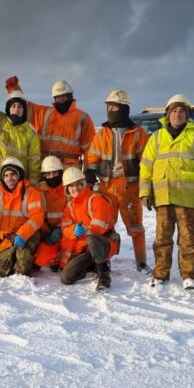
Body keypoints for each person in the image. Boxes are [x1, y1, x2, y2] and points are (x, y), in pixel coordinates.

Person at [139, 95, 194, 289]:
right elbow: (146, 167)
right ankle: (161, 273)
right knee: (162, 238)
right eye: (174, 110)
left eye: (182, 111)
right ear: (168, 113)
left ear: (187, 115)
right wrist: (145, 192)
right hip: (163, 197)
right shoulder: (156, 137)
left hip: (187, 198)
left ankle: (188, 273)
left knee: (187, 239)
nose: (178, 114)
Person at [0, 54, 42, 269]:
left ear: (24, 110)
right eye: (13, 106)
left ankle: (16, 249)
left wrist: (30, 184)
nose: (16, 109)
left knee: (15, 218)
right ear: (8, 108)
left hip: (17, 184)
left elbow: (34, 162)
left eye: (20, 107)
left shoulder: (30, 134)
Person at [85, 89, 149, 272]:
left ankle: (141, 262)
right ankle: (103, 260)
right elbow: (92, 158)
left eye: (114, 106)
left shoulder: (138, 133)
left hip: (129, 186)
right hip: (106, 185)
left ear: (124, 108)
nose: (110, 109)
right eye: (108, 106)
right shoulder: (101, 134)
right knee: (104, 225)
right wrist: (89, 175)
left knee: (136, 226)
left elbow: (146, 162)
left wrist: (146, 187)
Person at [4, 75, 94, 168]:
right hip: (45, 168)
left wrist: (90, 171)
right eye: (57, 97)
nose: (60, 99)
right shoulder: (44, 113)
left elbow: (90, 148)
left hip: (69, 171)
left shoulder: (83, 118)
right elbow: (25, 106)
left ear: (70, 96)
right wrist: (14, 88)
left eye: (63, 96)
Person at [58, 167, 119, 290]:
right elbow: (65, 229)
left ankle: (104, 274)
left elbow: (98, 228)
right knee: (66, 278)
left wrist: (81, 239)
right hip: (86, 249)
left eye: (78, 184)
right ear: (67, 189)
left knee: (92, 240)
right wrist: (74, 230)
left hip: (104, 243)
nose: (75, 188)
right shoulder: (69, 206)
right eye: (71, 186)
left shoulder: (96, 200)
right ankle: (93, 265)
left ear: (84, 183)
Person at [33, 156, 67, 272]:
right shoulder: (38, 191)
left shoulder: (68, 189)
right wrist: (46, 231)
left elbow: (74, 214)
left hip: (66, 230)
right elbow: (36, 214)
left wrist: (60, 228)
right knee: (41, 260)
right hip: (46, 231)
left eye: (54, 173)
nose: (52, 177)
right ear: (44, 176)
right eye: (48, 174)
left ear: (60, 173)